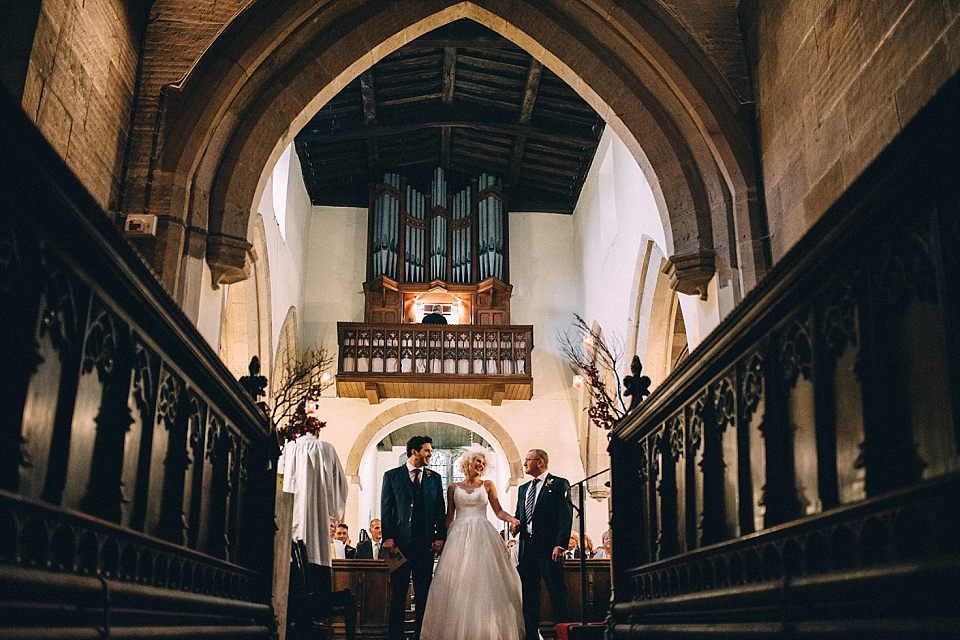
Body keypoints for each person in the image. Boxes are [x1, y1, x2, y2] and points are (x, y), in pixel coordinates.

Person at [420, 445, 524, 640]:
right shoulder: (453, 487)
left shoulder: (488, 485)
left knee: (482, 581)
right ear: (468, 462)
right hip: (458, 535)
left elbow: (498, 511)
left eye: (483, 463)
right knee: (457, 581)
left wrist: (512, 519)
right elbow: (449, 517)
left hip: (482, 534)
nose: (481, 465)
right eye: (478, 461)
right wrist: (441, 539)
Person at [381, 436, 447, 640]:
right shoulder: (392, 476)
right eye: (427, 450)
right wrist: (389, 537)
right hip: (399, 545)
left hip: (425, 545)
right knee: (398, 595)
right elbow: (386, 508)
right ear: (414, 452)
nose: (430, 454)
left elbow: (439, 509)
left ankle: (422, 635)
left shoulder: (434, 478)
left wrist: (440, 537)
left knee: (423, 594)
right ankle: (395, 636)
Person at [510, 449, 572, 640]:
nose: (525, 464)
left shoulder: (559, 483)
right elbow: (521, 514)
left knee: (556, 593)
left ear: (541, 462)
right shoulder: (523, 489)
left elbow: (565, 516)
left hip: (549, 548)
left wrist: (560, 544)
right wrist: (515, 524)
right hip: (527, 549)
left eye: (528, 460)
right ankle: (531, 636)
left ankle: (562, 634)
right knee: (529, 596)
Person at [281, 421, 349, 570]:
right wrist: (332, 512)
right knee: (316, 560)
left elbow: (279, 477)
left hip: (291, 516)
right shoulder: (326, 449)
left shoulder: (288, 448)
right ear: (317, 431)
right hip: (318, 519)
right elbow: (341, 484)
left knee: (292, 560)